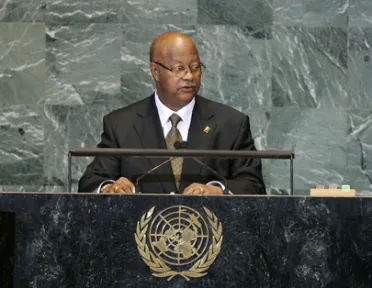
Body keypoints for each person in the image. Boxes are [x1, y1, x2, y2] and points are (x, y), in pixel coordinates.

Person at [78, 32, 265, 195]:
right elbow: (91, 182)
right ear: (156, 72)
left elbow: (253, 184)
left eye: (195, 67)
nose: (189, 76)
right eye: (179, 69)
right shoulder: (121, 124)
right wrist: (109, 188)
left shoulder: (230, 123)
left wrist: (219, 189)